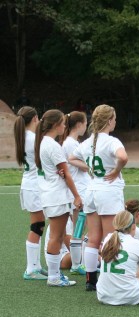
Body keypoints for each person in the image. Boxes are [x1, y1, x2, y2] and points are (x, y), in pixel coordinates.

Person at [69, 104, 128, 291]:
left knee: (93, 238)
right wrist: (116, 170)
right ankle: (108, 278)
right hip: (108, 192)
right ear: (109, 120)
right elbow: (123, 157)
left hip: (91, 191)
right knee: (111, 237)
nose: (115, 122)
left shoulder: (87, 142)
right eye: (115, 119)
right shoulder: (112, 141)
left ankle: (90, 280)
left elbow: (71, 158)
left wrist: (89, 168)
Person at [34, 109, 83, 287]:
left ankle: (54, 276)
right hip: (56, 196)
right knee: (56, 236)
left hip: (51, 194)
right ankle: (54, 277)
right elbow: (67, 173)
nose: (65, 126)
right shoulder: (52, 145)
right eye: (63, 123)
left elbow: (61, 171)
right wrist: (77, 195)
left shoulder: (44, 143)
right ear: (55, 125)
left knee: (59, 235)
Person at [14, 106, 48, 280]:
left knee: (38, 225)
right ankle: (31, 269)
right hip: (34, 187)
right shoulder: (33, 139)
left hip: (30, 185)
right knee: (37, 226)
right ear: (35, 118)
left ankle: (36, 266)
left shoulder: (24, 137)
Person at [59, 111, 89, 275]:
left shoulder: (72, 143)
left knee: (81, 229)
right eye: (85, 123)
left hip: (80, 190)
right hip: (78, 191)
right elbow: (83, 164)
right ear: (79, 124)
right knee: (79, 229)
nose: (86, 127)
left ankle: (78, 263)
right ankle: (77, 264)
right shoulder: (71, 144)